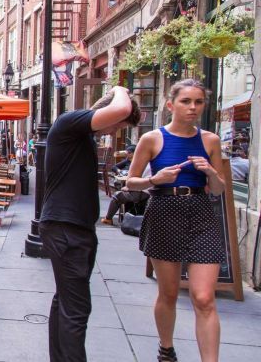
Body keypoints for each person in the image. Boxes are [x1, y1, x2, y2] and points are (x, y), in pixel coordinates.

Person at [126, 79, 225, 362]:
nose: (193, 107)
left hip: (201, 214)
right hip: (164, 212)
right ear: (171, 105)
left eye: (198, 102)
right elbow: (131, 183)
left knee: (204, 297)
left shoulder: (210, 141)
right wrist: (154, 179)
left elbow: (218, 190)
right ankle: (166, 348)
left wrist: (211, 173)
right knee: (168, 293)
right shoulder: (152, 139)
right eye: (186, 101)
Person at [40, 85, 141, 362]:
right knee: (77, 309)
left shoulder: (81, 135)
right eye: (116, 125)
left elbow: (120, 112)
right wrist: (121, 87)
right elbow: (121, 107)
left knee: (66, 303)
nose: (113, 132)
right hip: (67, 229)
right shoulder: (69, 123)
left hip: (71, 229)